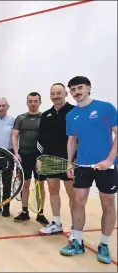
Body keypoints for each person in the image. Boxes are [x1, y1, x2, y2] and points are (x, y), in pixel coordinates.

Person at [60, 76, 117, 264]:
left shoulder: (105, 108)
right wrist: (70, 163)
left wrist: (109, 159)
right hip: (82, 165)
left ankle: (104, 244)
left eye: (80, 88)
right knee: (77, 201)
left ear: (88, 88)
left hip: (106, 166)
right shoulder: (71, 115)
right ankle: (77, 241)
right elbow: (71, 140)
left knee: (107, 203)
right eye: (73, 89)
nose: (77, 92)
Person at [38, 83, 75, 235]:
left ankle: (75, 226)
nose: (56, 96)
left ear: (66, 94)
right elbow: (40, 139)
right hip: (49, 160)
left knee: (72, 193)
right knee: (53, 190)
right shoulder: (46, 115)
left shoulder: (74, 112)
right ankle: (56, 222)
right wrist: (40, 158)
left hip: (69, 161)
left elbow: (78, 138)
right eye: (53, 93)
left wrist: (73, 160)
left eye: (59, 93)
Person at [11, 92, 49, 226]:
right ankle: (24, 211)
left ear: (40, 102)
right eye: (30, 101)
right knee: (25, 184)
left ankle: (40, 213)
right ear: (27, 103)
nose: (33, 104)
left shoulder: (44, 117)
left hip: (39, 157)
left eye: (35, 101)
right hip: (24, 156)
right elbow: (14, 136)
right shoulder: (21, 118)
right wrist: (16, 153)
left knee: (40, 185)